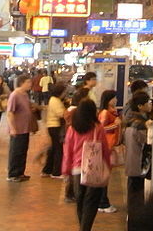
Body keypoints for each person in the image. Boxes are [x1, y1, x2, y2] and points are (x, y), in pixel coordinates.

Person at [62, 98, 111, 231]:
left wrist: (66, 169)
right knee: (91, 201)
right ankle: (85, 228)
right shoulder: (98, 128)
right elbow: (105, 149)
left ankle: (83, 227)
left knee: (80, 201)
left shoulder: (72, 129)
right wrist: (107, 165)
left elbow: (67, 150)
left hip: (77, 169)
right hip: (93, 168)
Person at [124, 92, 153, 227]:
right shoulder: (141, 124)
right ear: (140, 106)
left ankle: (132, 223)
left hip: (132, 163)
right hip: (139, 165)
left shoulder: (130, 120)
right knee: (137, 198)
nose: (150, 105)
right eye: (148, 102)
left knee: (133, 196)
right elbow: (147, 142)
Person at [6, 74, 34, 181]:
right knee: (15, 151)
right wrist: (12, 128)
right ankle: (12, 174)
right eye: (28, 82)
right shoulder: (15, 95)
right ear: (22, 83)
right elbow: (10, 113)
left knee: (23, 150)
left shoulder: (25, 95)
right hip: (17, 129)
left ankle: (20, 172)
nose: (30, 84)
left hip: (25, 128)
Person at [97, 90, 120, 214]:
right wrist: (115, 125)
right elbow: (101, 128)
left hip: (109, 146)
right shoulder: (106, 113)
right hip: (106, 146)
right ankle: (102, 202)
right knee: (104, 175)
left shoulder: (111, 112)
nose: (115, 100)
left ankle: (102, 201)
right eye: (114, 98)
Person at [42, 83, 67, 179]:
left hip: (52, 126)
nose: (65, 93)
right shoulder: (55, 101)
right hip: (55, 126)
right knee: (58, 150)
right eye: (64, 92)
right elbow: (61, 114)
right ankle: (56, 172)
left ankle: (47, 170)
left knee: (54, 149)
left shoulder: (54, 100)